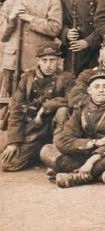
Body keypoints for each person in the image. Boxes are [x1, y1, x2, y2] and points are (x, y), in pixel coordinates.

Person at [42, 70, 105, 188]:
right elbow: (64, 138)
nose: (101, 90)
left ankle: (77, 177)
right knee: (46, 150)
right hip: (84, 154)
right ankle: (99, 173)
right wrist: (93, 143)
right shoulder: (82, 106)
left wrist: (91, 162)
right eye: (96, 87)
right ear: (89, 91)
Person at [0, 0, 63, 112]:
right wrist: (11, 19)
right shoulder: (10, 2)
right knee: (8, 108)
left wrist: (30, 18)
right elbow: (3, 36)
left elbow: (55, 28)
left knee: (35, 106)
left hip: (37, 63)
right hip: (13, 63)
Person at [1, 44, 74, 172]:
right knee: (10, 164)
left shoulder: (66, 78)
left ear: (59, 61)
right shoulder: (27, 78)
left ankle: (56, 150)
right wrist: (14, 142)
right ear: (38, 61)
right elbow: (17, 109)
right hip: (34, 127)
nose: (48, 65)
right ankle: (37, 152)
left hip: (53, 127)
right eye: (44, 60)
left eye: (52, 60)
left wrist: (47, 106)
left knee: (63, 111)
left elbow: (72, 99)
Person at [60, 0, 105, 73]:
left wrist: (88, 42)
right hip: (75, 50)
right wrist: (67, 33)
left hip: (99, 47)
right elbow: (60, 22)